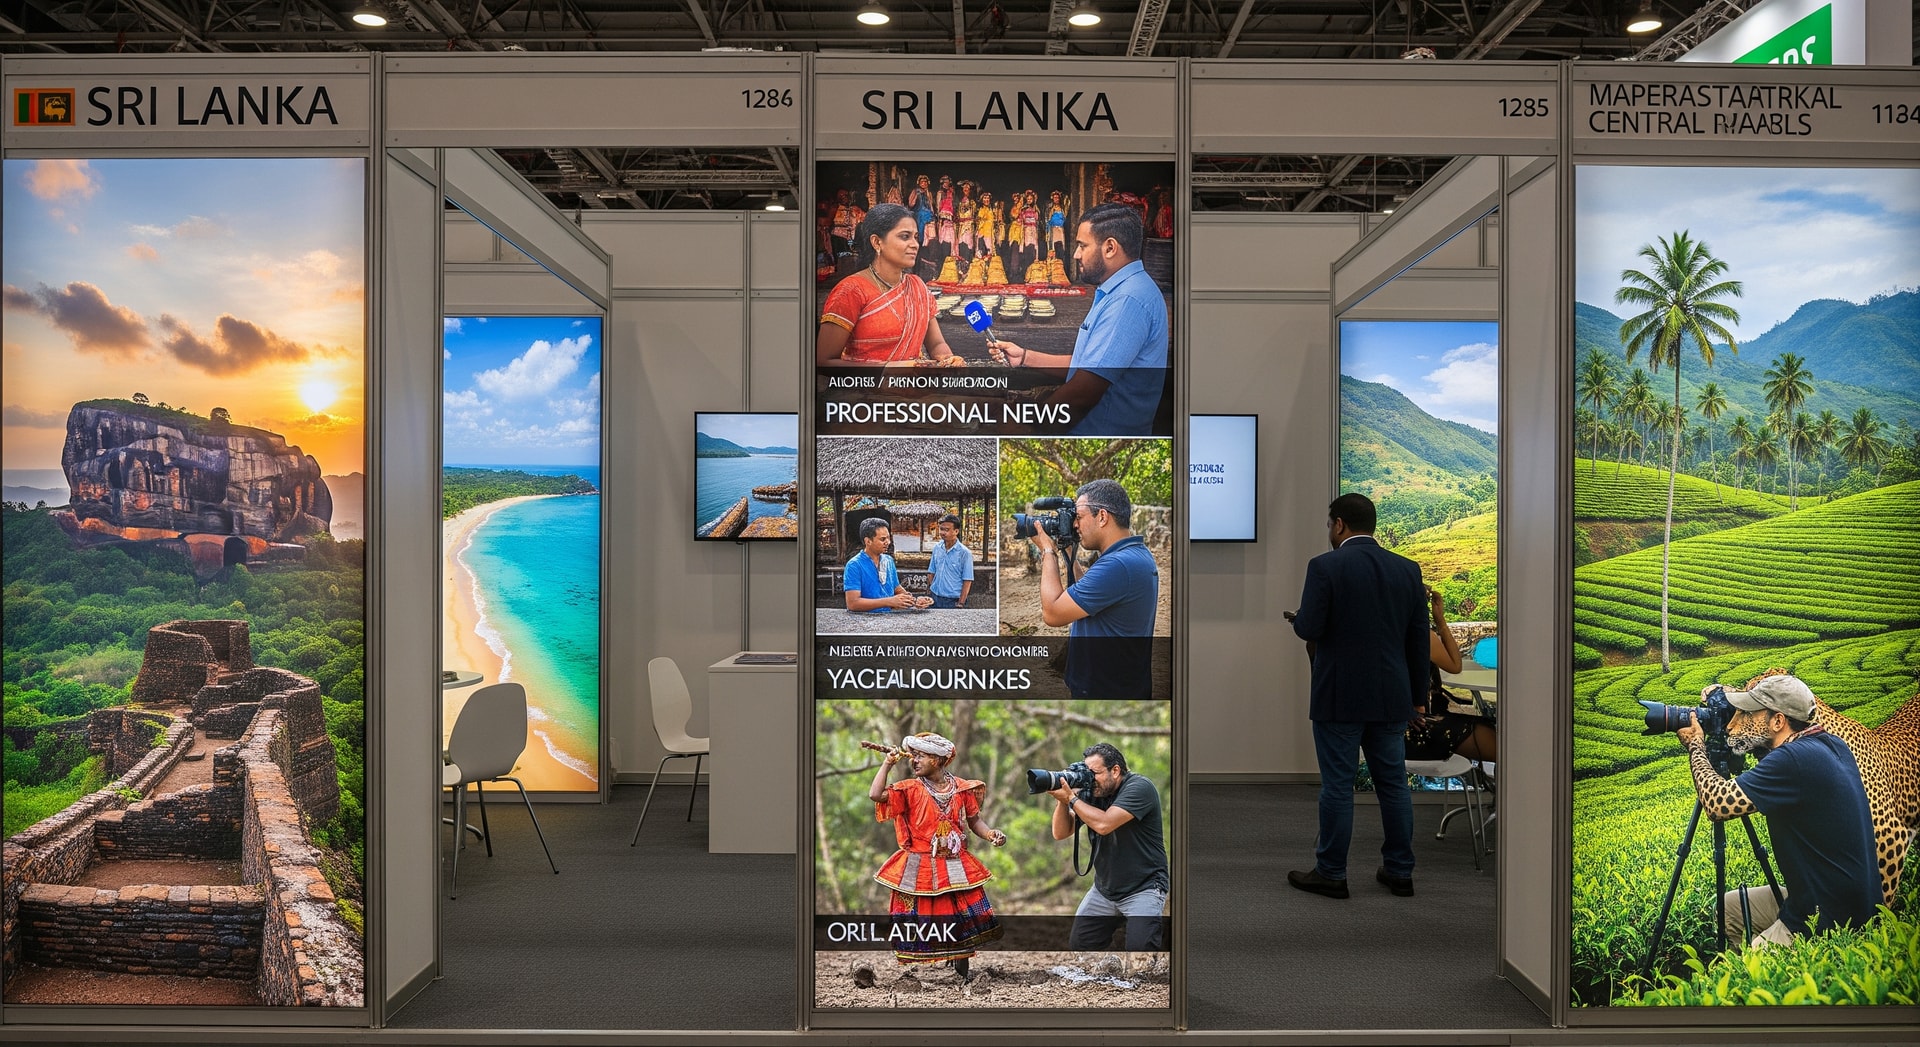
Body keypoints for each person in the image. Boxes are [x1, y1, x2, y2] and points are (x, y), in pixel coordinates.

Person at [1288, 493, 1429, 900]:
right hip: (1391, 698)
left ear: (1338, 525)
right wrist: (1417, 700)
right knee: (1394, 785)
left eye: (1329, 525)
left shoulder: (1324, 566)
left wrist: (1300, 621)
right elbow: (1418, 641)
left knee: (1337, 786)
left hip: (1339, 697)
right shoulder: (1407, 569)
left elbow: (1309, 627)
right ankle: (1400, 871)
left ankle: (1332, 872)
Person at [1675, 672, 1881, 948]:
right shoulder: (1831, 745)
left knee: (1747, 973)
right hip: (1837, 900)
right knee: (1729, 909)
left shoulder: (1793, 760)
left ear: (1778, 721)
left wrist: (1696, 747)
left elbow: (1716, 802)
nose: (1734, 724)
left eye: (1748, 715)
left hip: (1828, 918)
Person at [990, 202, 1169, 436]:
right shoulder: (1120, 290)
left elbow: (1082, 393)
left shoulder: (1128, 300)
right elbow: (1088, 365)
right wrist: (1024, 357)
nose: (1075, 254)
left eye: (1083, 246)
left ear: (1110, 248)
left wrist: (1026, 427)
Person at [869, 731, 1007, 979]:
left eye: (921, 756)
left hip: (954, 862)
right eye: (913, 756)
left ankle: (962, 969)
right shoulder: (909, 789)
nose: (914, 761)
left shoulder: (962, 789)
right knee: (924, 911)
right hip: (919, 862)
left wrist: (990, 834)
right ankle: (930, 959)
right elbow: (876, 795)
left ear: (938, 760)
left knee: (959, 910)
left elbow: (975, 821)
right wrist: (887, 763)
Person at [1028, 479, 1157, 700]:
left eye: (1078, 517)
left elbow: (1052, 613)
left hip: (1108, 692)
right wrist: (1068, 552)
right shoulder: (1129, 555)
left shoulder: (1119, 565)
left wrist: (1048, 551)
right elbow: (1088, 593)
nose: (1075, 525)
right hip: (1116, 684)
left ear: (1103, 517)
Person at [1048, 742, 1168, 951]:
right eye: (1087, 773)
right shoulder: (1093, 793)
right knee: (1081, 946)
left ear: (1115, 770)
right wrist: (1063, 801)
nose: (1090, 778)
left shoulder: (1140, 787)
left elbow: (1104, 824)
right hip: (1106, 888)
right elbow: (1060, 833)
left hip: (1144, 886)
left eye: (1095, 772)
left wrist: (1072, 798)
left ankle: (1150, 932)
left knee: (1141, 956)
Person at [816, 203, 959, 367]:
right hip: (863, 391)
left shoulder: (918, 287)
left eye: (915, 237)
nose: (915, 244)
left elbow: (936, 345)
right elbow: (824, 361)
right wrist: (889, 369)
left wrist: (948, 359)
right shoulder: (851, 290)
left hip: (912, 388)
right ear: (877, 242)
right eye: (905, 237)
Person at [1405, 588, 1497, 764]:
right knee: (1501, 743)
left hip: (1402, 724)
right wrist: (1441, 622)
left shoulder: (1388, 633)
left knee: (1489, 730)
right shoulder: (1421, 635)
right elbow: (1455, 666)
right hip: (1422, 723)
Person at [843, 518, 930, 613]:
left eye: (888, 538)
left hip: (888, 618)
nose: (888, 542)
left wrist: (914, 601)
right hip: (865, 621)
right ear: (868, 541)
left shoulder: (888, 560)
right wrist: (889, 601)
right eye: (882, 539)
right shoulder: (854, 565)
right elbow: (852, 604)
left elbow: (896, 588)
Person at [926, 513, 974, 610]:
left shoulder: (965, 553)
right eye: (941, 529)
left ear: (956, 531)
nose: (943, 532)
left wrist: (961, 603)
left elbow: (967, 580)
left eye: (946, 530)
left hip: (952, 600)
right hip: (935, 596)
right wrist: (931, 590)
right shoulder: (937, 548)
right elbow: (931, 571)